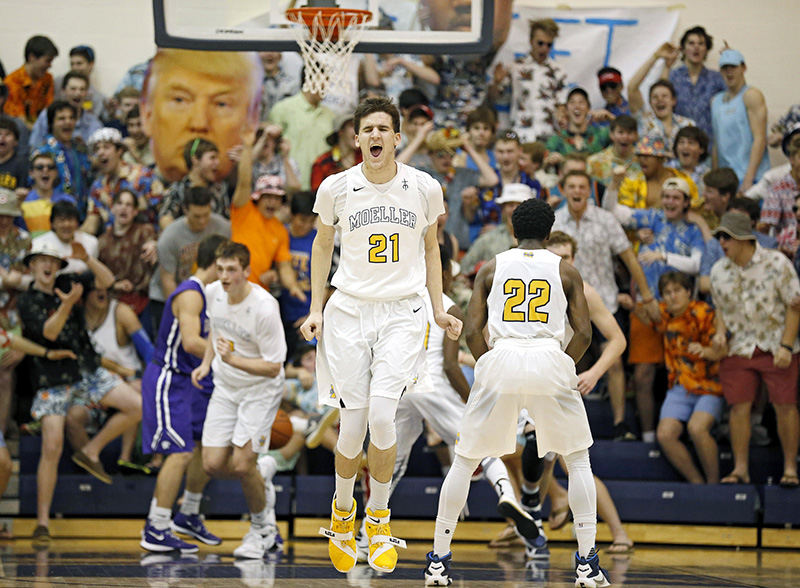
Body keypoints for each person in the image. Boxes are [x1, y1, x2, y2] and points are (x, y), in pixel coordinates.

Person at [300, 96, 461, 575]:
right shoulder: (335, 188)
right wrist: (315, 308)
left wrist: (437, 306)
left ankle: (379, 516)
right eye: (366, 129)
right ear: (356, 139)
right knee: (352, 425)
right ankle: (342, 510)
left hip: (403, 312)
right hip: (348, 311)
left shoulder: (424, 187)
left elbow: (432, 250)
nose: (374, 136)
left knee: (386, 416)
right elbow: (321, 247)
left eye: (382, 129)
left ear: (396, 137)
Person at [423, 198, 609, 588]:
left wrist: (488, 363)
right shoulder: (565, 269)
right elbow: (586, 334)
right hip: (549, 356)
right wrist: (561, 364)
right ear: (548, 232)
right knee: (578, 462)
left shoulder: (492, 267)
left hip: (501, 357)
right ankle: (587, 566)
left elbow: (473, 330)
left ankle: (438, 562)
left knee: (464, 460)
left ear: (512, 231)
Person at [356, 244, 547, 562]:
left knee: (392, 463)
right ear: (443, 272)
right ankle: (507, 494)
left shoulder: (396, 300)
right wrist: (472, 400)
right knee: (480, 445)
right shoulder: (448, 307)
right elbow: (448, 365)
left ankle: (365, 536)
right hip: (431, 384)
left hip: (397, 386)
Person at [18, 243, 142, 544]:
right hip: (52, 378)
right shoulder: (27, 301)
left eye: (52, 260)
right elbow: (48, 332)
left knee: (137, 405)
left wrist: (87, 258)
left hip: (85, 369)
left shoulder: (68, 284)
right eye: (41, 260)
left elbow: (109, 281)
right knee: (52, 445)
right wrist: (67, 304)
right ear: (31, 267)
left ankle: (90, 450)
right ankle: (43, 522)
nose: (47, 265)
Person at [192, 241, 287, 558]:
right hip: (225, 387)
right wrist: (207, 363)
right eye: (220, 269)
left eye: (231, 269)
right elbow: (214, 331)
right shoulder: (213, 293)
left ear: (247, 271)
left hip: (260, 390)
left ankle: (263, 530)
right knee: (213, 464)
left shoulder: (264, 307)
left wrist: (232, 361)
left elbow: (274, 367)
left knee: (243, 464)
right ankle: (263, 475)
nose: (224, 276)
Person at [140, 234, 227, 553]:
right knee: (179, 452)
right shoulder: (191, 294)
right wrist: (232, 358)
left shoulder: (211, 295)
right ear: (215, 262)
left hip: (192, 381)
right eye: (226, 264)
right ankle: (156, 526)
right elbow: (191, 342)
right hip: (169, 378)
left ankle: (188, 512)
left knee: (209, 445)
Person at [709, 212, 800, 487]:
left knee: (785, 405)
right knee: (738, 407)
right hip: (739, 346)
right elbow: (720, 309)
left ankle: (790, 468)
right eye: (719, 237)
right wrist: (720, 332)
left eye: (727, 237)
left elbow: (795, 306)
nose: (722, 242)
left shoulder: (777, 263)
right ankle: (740, 469)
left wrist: (786, 345)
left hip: (775, 343)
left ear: (744, 239)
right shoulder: (718, 271)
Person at [141, 50, 262, 184]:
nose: (199, 123)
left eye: (221, 104)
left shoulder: (256, 188)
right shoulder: (137, 188)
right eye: (180, 100)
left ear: (252, 121)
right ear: (147, 114)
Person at [653, 271, 725, 484]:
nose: (672, 296)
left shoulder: (704, 312)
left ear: (688, 292)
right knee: (665, 434)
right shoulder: (664, 314)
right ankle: (697, 483)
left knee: (697, 428)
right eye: (667, 293)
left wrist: (705, 351)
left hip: (710, 385)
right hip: (679, 386)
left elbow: (722, 352)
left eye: (677, 291)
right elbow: (645, 308)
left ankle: (713, 485)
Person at [498, 18, 568, 142]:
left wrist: (562, 116)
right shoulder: (515, 67)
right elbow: (497, 97)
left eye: (549, 44)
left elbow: (562, 104)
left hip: (548, 135)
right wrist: (496, 82)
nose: (544, 48)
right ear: (531, 41)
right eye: (540, 43)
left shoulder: (558, 71)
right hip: (519, 134)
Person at [711, 49, 770, 191]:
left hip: (751, 177)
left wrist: (749, 179)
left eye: (733, 67)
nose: (729, 72)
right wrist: (714, 178)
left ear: (743, 68)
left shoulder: (751, 95)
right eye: (725, 68)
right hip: (727, 179)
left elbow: (760, 138)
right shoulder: (716, 101)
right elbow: (716, 143)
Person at [97, 189, 158, 319]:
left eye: (129, 205)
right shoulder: (102, 242)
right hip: (114, 300)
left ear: (135, 211)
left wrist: (155, 244)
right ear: (112, 208)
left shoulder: (145, 232)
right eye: (119, 203)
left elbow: (161, 245)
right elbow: (97, 277)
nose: (123, 208)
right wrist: (114, 285)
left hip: (144, 299)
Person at [668, 26, 726, 143]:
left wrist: (730, 63)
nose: (696, 47)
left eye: (701, 44)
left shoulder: (717, 78)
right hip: (679, 145)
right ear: (683, 49)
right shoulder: (673, 76)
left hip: (708, 144)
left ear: (706, 49)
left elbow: (736, 99)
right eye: (691, 43)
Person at [158, 139, 229, 229]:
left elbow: (225, 221)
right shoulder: (178, 189)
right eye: (212, 158)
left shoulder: (219, 189)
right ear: (195, 160)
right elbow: (165, 219)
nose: (217, 162)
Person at [29, 71, 102, 150]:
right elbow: (34, 146)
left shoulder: (93, 123)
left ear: (86, 93)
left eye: (82, 89)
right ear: (63, 91)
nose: (78, 93)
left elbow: (98, 154)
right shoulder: (47, 115)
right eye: (73, 89)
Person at [3, 36, 58, 127]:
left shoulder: (48, 79)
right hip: (20, 131)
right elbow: (19, 119)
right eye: (47, 61)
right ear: (31, 57)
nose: (50, 66)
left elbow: (50, 110)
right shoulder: (12, 81)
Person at [20, 151, 76, 237]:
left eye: (50, 167)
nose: (45, 170)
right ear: (31, 173)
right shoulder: (23, 200)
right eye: (40, 167)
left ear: (56, 173)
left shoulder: (68, 200)